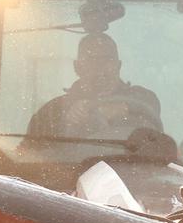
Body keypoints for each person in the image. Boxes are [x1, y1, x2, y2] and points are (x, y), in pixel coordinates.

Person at [25, 32, 163, 143]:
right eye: (92, 60)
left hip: (132, 175)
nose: (100, 67)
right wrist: (66, 123)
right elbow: (27, 156)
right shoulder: (51, 112)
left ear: (118, 66)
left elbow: (149, 105)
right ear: (77, 67)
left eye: (107, 59)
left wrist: (124, 107)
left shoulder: (144, 100)